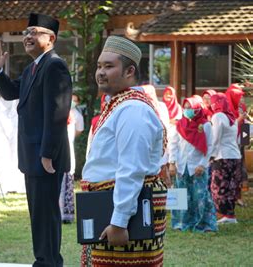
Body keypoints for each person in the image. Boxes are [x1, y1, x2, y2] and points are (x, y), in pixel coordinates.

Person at [0, 13, 72, 266]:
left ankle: (50, 262)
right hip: (31, 154)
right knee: (38, 214)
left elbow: (57, 113)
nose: (28, 37)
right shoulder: (34, 66)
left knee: (46, 215)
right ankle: (43, 260)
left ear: (51, 38)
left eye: (34, 32)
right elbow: (12, 92)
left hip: (45, 156)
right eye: (26, 33)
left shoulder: (54, 65)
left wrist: (47, 153)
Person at [81, 36, 166, 266]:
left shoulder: (133, 110)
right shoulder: (119, 104)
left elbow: (132, 169)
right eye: (99, 66)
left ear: (129, 71)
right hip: (109, 206)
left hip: (122, 214)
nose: (100, 72)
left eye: (109, 66)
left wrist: (119, 222)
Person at [169, 96, 217, 232]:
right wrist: (172, 163)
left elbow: (210, 146)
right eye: (185, 107)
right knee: (180, 195)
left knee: (200, 196)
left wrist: (202, 164)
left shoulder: (206, 125)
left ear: (197, 109)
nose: (187, 110)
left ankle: (204, 224)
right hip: (181, 166)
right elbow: (173, 144)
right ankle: (180, 223)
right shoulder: (180, 124)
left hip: (197, 166)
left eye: (190, 107)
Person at [209, 93, 243, 224]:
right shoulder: (232, 117)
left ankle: (224, 214)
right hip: (234, 155)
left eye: (212, 102)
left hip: (222, 156)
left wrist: (211, 155)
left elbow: (215, 138)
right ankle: (230, 215)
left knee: (218, 186)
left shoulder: (217, 116)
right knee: (231, 186)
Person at [59, 94, 84, 223]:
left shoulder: (71, 117)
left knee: (65, 184)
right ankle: (64, 214)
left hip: (65, 154)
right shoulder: (69, 116)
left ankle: (64, 214)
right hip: (65, 154)